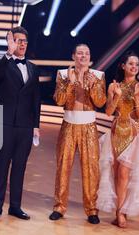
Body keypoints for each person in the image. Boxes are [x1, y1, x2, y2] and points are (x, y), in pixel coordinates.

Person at [97, 52, 139, 228]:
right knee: (116, 174)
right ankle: (119, 210)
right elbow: (108, 112)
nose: (133, 67)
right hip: (115, 133)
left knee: (124, 174)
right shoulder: (113, 86)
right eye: (130, 64)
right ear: (123, 66)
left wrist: (136, 96)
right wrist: (115, 95)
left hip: (132, 134)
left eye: (136, 65)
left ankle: (120, 213)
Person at [49, 44, 106, 224]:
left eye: (86, 53)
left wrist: (91, 84)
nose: (83, 56)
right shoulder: (63, 74)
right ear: (73, 56)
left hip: (89, 126)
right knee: (63, 166)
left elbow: (100, 101)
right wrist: (71, 83)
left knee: (91, 169)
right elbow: (59, 100)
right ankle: (59, 207)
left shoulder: (98, 76)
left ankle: (91, 210)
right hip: (69, 124)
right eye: (80, 53)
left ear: (90, 57)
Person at [0, 27, 41, 220]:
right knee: (2, 164)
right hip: (4, 121)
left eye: (25, 41)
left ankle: (15, 207)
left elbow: (36, 99)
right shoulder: (3, 64)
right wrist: (8, 54)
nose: (22, 44)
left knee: (20, 166)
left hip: (25, 125)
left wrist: (36, 125)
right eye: (18, 41)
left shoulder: (33, 68)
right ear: (10, 43)